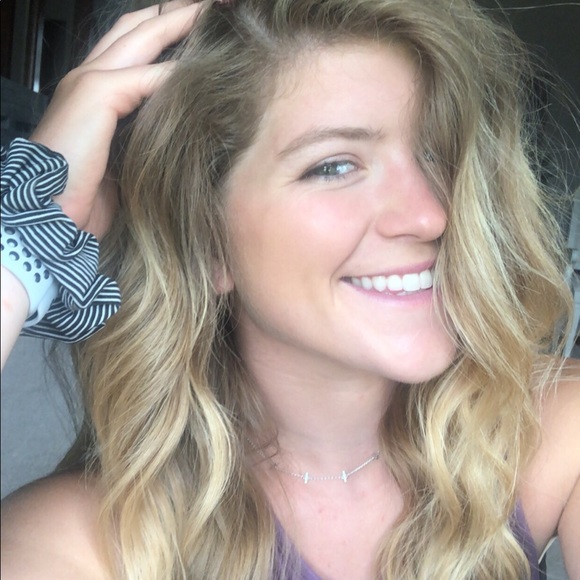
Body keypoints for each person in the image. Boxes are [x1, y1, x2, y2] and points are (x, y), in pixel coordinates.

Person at [1, 0, 579, 578]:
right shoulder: (76, 542)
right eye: (334, 166)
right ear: (207, 240)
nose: (430, 215)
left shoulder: (551, 432)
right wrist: (20, 242)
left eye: (437, 153)